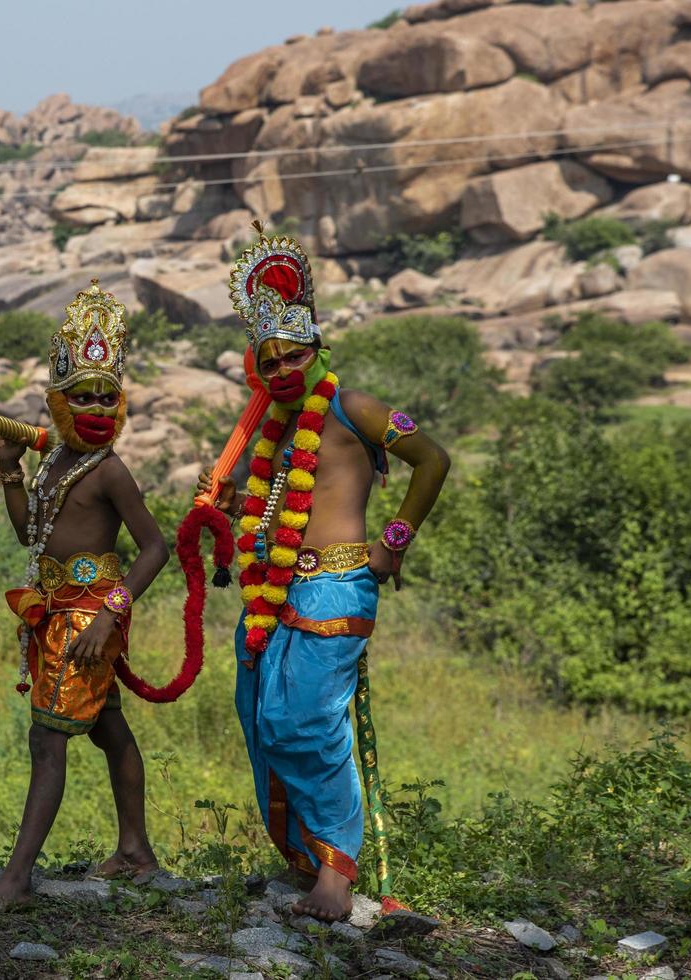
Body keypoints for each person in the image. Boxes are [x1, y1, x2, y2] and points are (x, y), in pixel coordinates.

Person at [197, 226, 450, 922]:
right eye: (268, 360)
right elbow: (279, 510)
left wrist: (394, 540)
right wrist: (230, 500)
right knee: (265, 723)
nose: (281, 370)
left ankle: (337, 880)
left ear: (318, 350)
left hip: (338, 583)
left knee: (302, 720)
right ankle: (312, 864)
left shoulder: (352, 407)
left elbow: (434, 460)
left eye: (294, 355)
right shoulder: (273, 432)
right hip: (275, 591)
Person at [0, 281, 170, 912]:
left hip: (87, 614)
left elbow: (153, 548)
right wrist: (8, 470)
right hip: (52, 609)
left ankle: (16, 880)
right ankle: (135, 850)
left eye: (109, 396)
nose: (98, 406)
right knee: (107, 726)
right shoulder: (55, 463)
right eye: (84, 395)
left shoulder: (110, 468)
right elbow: (31, 533)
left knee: (48, 742)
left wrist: (110, 614)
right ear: (58, 401)